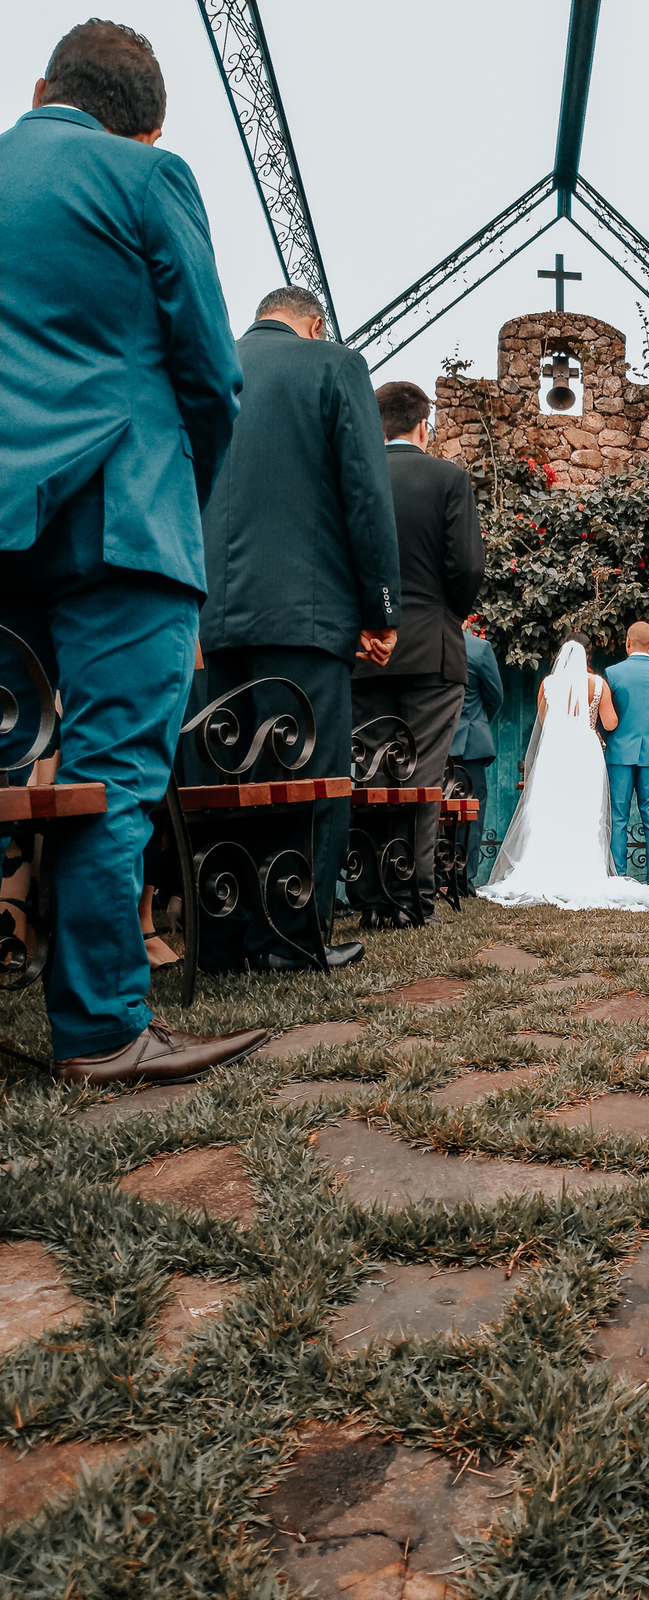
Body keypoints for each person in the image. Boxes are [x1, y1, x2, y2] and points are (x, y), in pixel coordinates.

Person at [0, 20, 268, 1084]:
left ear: (40, 88)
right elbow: (210, 371)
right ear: (150, 121)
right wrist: (183, 495)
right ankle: (103, 1029)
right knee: (112, 772)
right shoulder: (149, 178)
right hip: (122, 509)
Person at [195, 285, 401, 970]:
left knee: (227, 779)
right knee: (310, 777)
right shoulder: (333, 365)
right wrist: (379, 610)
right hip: (304, 616)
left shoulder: (206, 361)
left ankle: (223, 940)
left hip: (210, 615)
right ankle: (289, 939)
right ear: (314, 325)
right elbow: (365, 496)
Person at [352, 382, 485, 927]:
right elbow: (468, 568)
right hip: (432, 645)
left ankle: (369, 900)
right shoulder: (449, 479)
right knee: (421, 775)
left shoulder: (355, 476)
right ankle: (411, 899)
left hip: (364, 650)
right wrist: (442, 614)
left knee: (369, 770)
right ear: (423, 426)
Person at [482, 636, 649, 911]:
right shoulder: (598, 685)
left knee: (552, 809)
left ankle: (548, 866)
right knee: (587, 812)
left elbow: (545, 722)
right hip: (585, 752)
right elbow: (610, 721)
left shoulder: (548, 685)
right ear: (589, 657)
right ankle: (588, 872)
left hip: (555, 752)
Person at [604, 622, 649, 888]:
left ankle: (619, 879)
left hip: (619, 753)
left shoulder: (612, 673)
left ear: (627, 642)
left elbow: (607, 718)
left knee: (619, 817)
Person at [449, 619, 505, 887]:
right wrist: (477, 722)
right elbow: (494, 696)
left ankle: (435, 875)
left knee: (432, 811)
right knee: (471, 812)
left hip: (432, 744)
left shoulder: (425, 645)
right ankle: (463, 877)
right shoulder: (479, 648)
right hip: (471, 743)